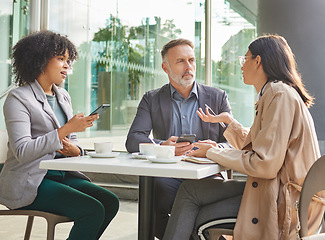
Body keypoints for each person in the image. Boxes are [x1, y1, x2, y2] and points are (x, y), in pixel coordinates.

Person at [162, 34, 325, 240]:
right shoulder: (275, 92)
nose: (241, 65)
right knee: (190, 190)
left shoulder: (279, 94)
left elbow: (264, 164)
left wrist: (211, 151)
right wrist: (230, 123)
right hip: (271, 190)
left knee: (198, 216)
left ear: (258, 61)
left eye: (244, 59)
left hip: (279, 201)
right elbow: (264, 146)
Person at [0, 31, 119, 240]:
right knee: (92, 209)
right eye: (60, 59)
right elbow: (22, 151)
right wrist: (66, 129)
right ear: (40, 60)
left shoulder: (63, 95)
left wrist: (76, 150)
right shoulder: (18, 98)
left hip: (61, 174)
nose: (67, 66)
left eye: (68, 60)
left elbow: (72, 143)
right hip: (31, 179)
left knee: (110, 202)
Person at [125, 38, 232, 239]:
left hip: (206, 175)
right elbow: (133, 139)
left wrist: (215, 147)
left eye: (191, 60)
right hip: (168, 176)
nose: (188, 67)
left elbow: (233, 143)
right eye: (181, 61)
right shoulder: (152, 98)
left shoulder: (217, 97)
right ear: (166, 68)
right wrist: (162, 147)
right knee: (150, 196)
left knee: (192, 203)